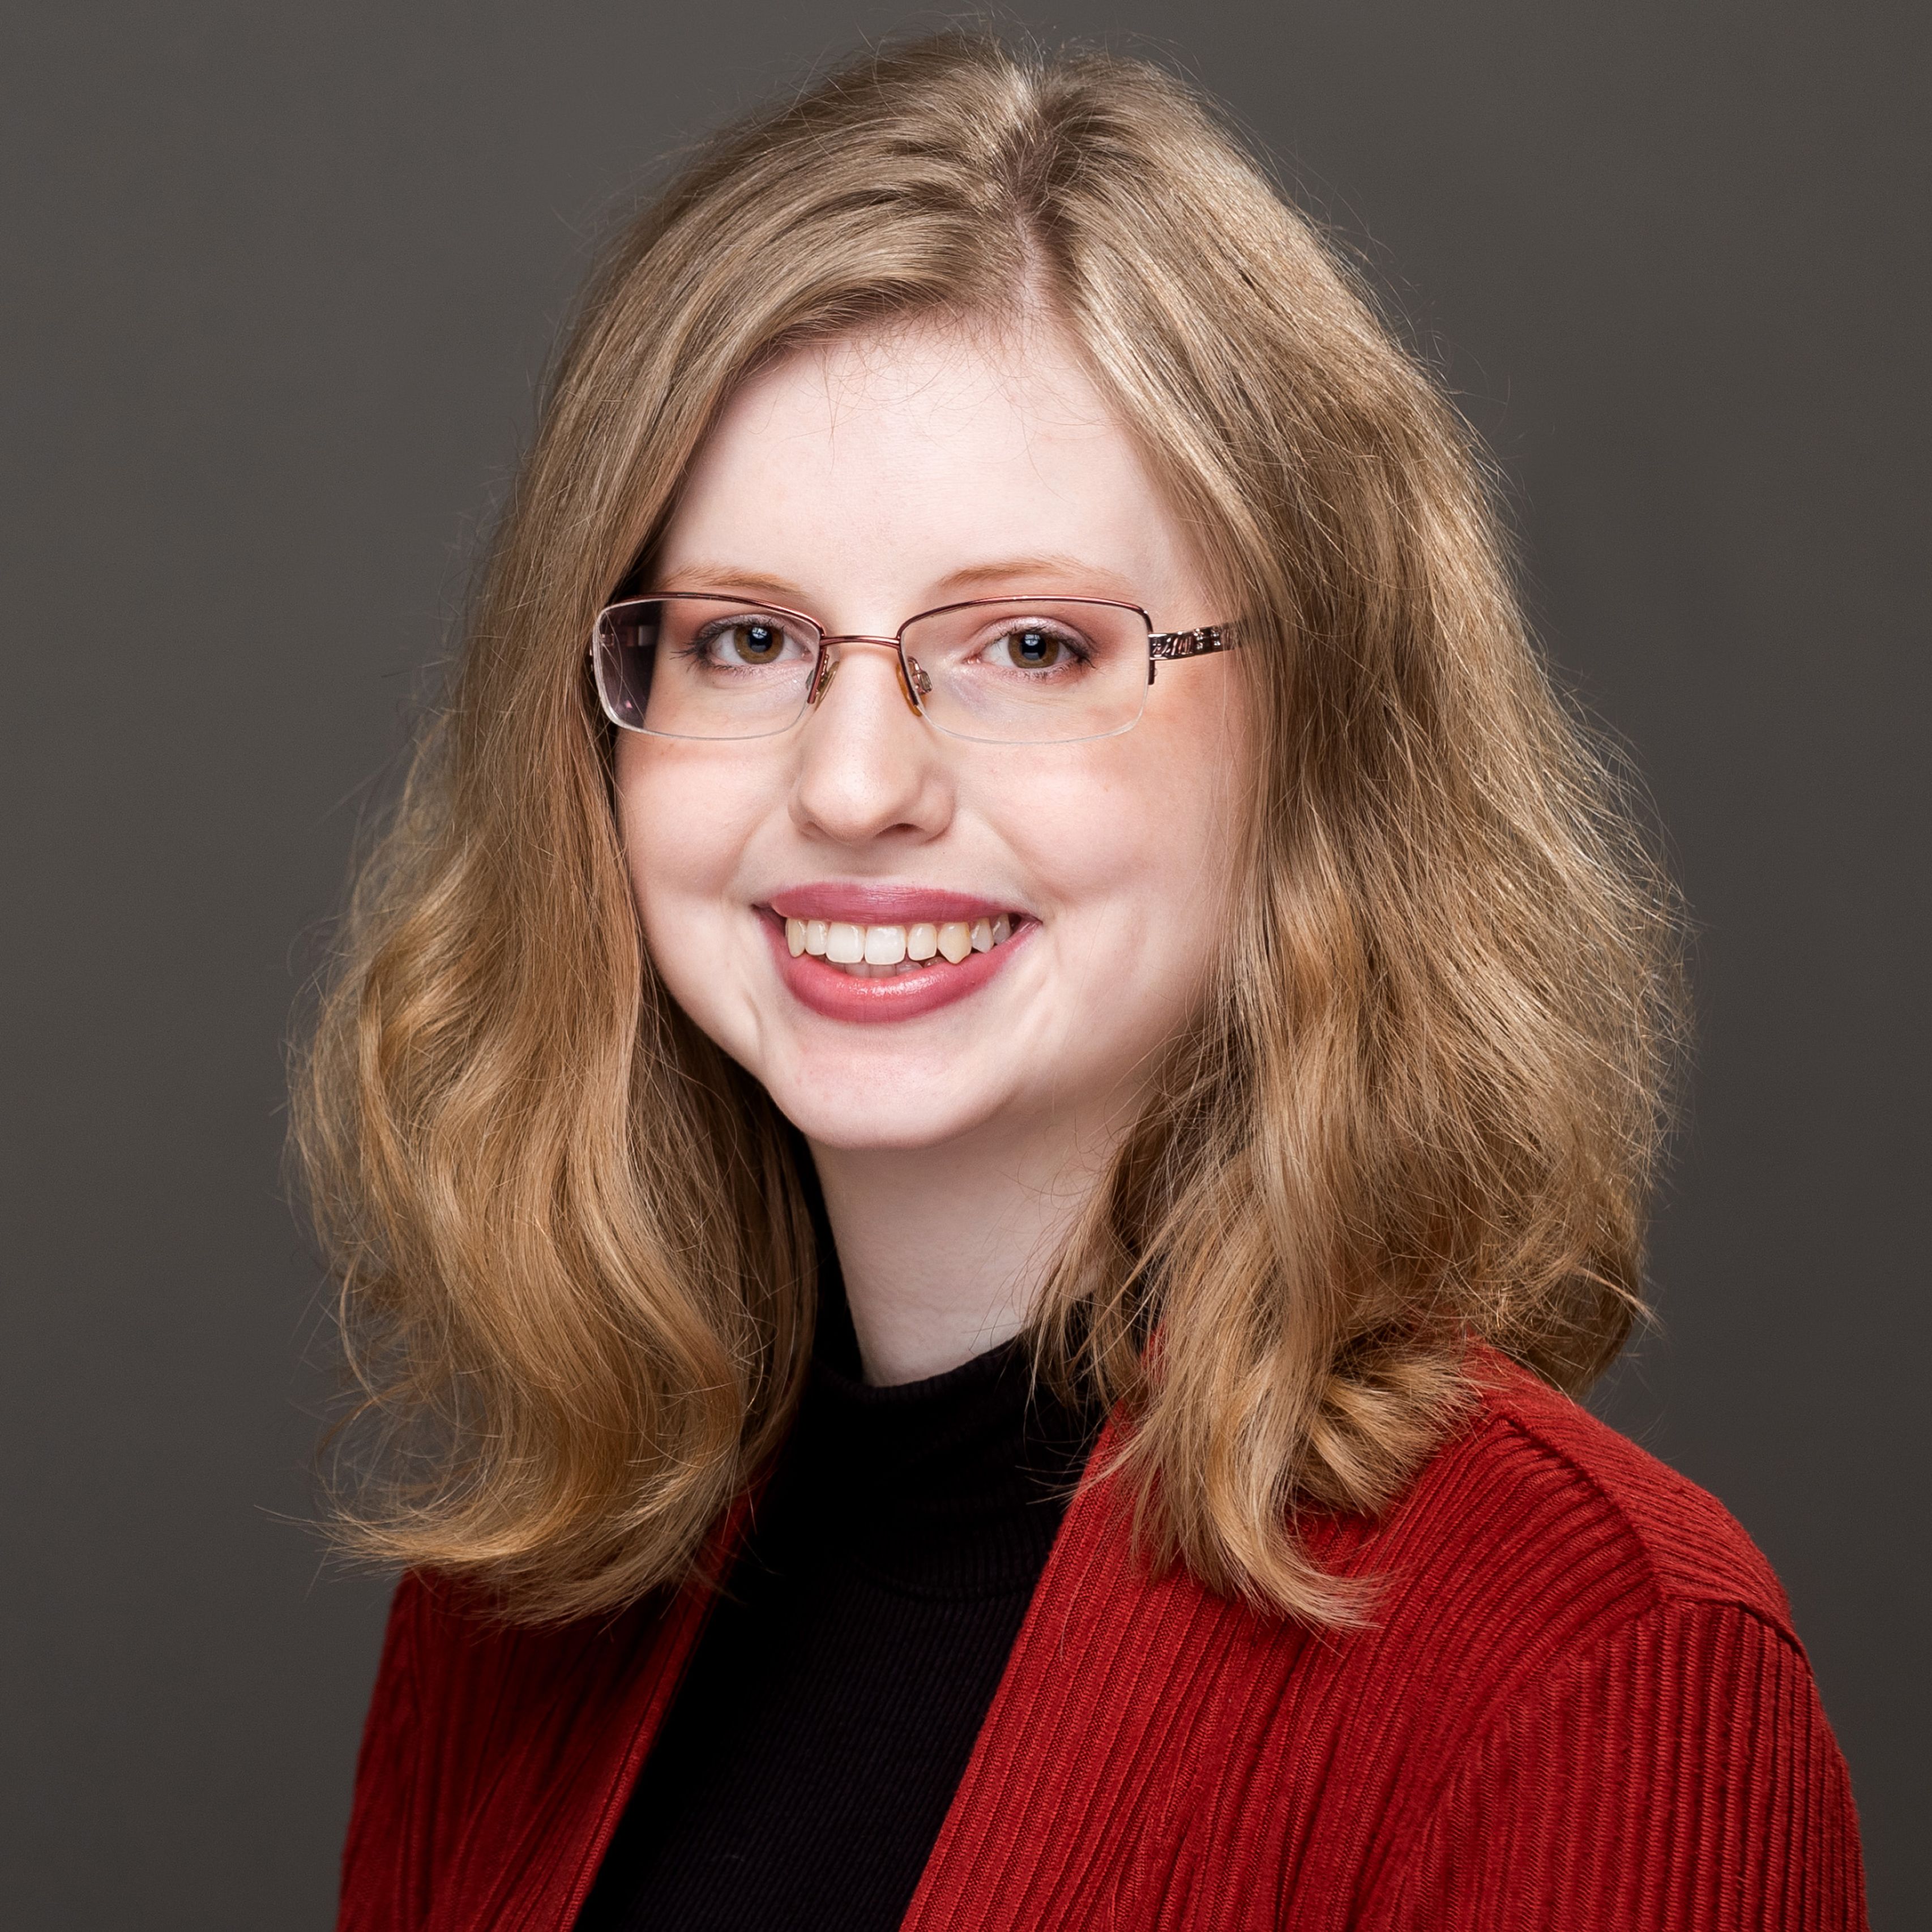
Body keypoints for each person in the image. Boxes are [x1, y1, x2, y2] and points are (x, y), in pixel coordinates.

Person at [298, 33, 1867, 1931]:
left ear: (1318, 725)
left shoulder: (1595, 1659)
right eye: (743, 640)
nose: (857, 781)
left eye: (1029, 642)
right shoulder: (509, 1617)